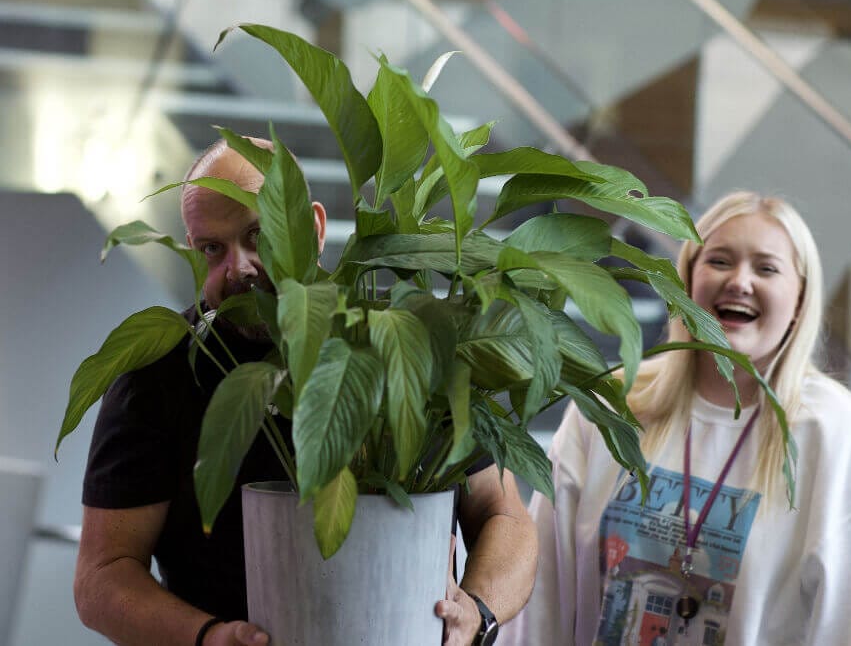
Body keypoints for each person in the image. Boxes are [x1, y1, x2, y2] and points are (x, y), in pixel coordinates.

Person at [74, 138, 537, 646]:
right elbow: (102, 576)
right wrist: (206, 638)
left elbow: (502, 513)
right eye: (213, 248)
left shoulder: (399, 338)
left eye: (258, 235)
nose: (240, 267)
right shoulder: (161, 372)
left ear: (315, 228)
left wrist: (477, 612)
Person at [502, 191, 851, 645]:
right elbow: (541, 596)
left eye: (766, 268)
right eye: (719, 261)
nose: (740, 282)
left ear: (800, 299)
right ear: (687, 281)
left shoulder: (837, 434)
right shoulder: (614, 403)